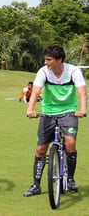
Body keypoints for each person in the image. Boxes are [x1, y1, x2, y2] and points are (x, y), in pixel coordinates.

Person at [23, 44, 86, 197]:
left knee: (70, 142)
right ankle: (36, 185)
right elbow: (36, 91)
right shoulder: (44, 72)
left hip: (69, 112)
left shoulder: (73, 71)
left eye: (49, 60)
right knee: (40, 150)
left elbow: (82, 92)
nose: (46, 62)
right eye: (45, 59)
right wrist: (30, 109)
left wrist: (82, 109)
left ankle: (70, 179)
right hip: (48, 113)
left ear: (60, 60)